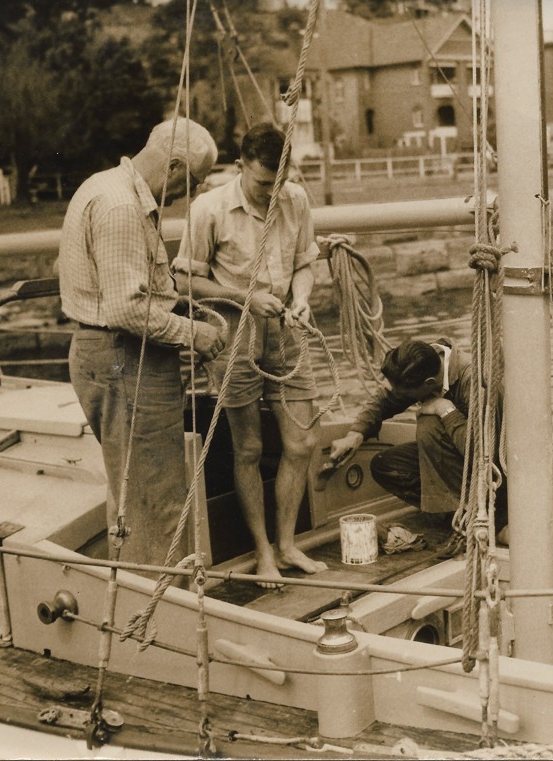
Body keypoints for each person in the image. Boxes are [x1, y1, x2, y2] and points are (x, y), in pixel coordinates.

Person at [58, 117, 226, 574]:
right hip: (125, 363)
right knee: (159, 497)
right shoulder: (121, 208)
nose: (188, 194)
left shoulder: (102, 186)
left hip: (107, 358)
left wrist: (175, 304)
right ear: (173, 166)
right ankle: (165, 614)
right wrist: (197, 334)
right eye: (191, 182)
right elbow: (127, 311)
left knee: (133, 492)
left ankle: (141, 597)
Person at [173, 122, 325, 588]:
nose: (271, 195)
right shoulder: (208, 209)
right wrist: (245, 299)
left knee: (301, 443)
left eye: (278, 183)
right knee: (250, 447)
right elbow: (184, 282)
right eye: (262, 185)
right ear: (241, 168)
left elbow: (304, 261)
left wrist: (302, 297)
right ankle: (263, 552)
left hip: (286, 327)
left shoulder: (296, 199)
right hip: (234, 335)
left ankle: (287, 544)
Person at [328, 339, 508, 547]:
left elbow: (482, 451)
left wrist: (445, 409)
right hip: (451, 458)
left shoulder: (474, 381)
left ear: (429, 383)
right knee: (385, 466)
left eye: (405, 395)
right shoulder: (423, 361)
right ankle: (453, 512)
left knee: (429, 425)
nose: (399, 397)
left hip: (493, 473)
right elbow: (387, 397)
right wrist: (355, 433)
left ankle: (479, 518)